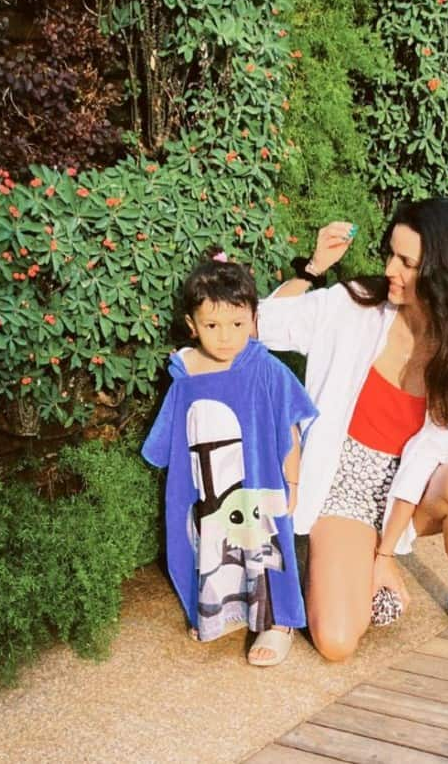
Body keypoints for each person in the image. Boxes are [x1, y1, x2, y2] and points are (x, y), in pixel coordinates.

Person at [256, 198, 448, 662]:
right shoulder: (353, 306)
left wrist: (386, 555)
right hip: (345, 485)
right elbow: (261, 324)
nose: (390, 268)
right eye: (390, 254)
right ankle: (346, 576)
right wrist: (314, 269)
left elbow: (428, 456)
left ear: (445, 275)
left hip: (411, 488)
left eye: (407, 262)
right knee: (336, 642)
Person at [141, 251, 317, 666]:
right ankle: (221, 611)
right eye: (212, 325)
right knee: (212, 545)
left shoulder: (265, 368)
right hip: (209, 485)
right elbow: (170, 442)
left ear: (254, 319)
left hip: (257, 482)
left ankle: (277, 623)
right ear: (192, 325)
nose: (225, 336)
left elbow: (289, 425)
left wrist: (292, 482)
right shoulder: (184, 376)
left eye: (238, 324)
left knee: (265, 547)